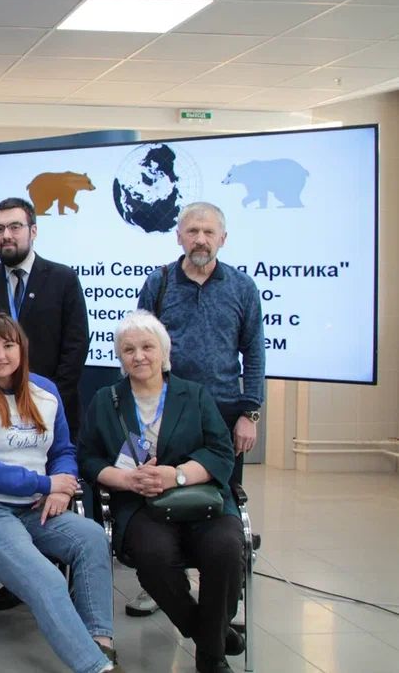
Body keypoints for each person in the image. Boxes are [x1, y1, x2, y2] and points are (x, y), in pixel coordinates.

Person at [0, 314, 117, 673]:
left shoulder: (45, 391)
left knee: (92, 538)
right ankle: (96, 668)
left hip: (35, 506)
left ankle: (100, 643)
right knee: (47, 578)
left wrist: (63, 486)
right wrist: (45, 484)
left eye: (8, 345)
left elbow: (63, 450)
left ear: (22, 349)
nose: (0, 355)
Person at [79, 311, 244, 673]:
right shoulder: (106, 400)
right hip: (139, 505)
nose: (139, 356)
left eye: (147, 347)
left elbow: (221, 452)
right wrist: (127, 481)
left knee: (226, 550)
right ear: (119, 357)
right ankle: (211, 636)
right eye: (128, 350)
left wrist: (177, 476)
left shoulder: (194, 395)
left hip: (202, 498)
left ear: (164, 351)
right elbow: (88, 459)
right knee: (153, 558)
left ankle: (210, 659)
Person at [131, 202, 263, 619]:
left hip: (223, 412)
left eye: (208, 232)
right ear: (179, 237)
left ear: (222, 238)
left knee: (218, 502)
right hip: (165, 412)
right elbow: (137, 343)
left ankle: (219, 585)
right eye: (192, 232)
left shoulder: (242, 287)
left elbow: (254, 354)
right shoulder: (159, 283)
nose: (200, 240)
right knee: (162, 494)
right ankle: (160, 582)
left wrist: (250, 413)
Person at [0, 197, 91, 611]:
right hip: (0, 412)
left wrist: (47, 401)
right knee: (16, 496)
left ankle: (59, 578)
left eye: (14, 227)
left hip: (52, 410)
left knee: (52, 495)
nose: (6, 236)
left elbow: (75, 345)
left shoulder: (61, 278)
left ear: (33, 230)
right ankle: (20, 580)